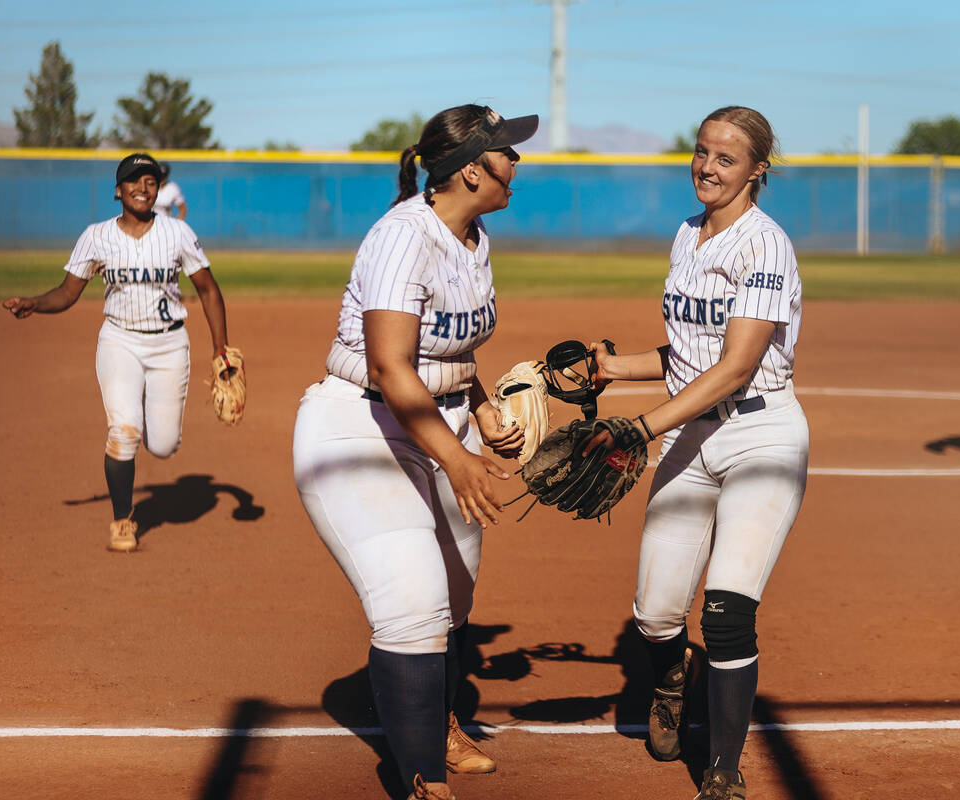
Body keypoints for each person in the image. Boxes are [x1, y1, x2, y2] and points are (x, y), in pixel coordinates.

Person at [291, 105, 537, 800]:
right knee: (414, 599)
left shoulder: (475, 236)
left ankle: (440, 721)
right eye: (507, 154)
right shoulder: (403, 237)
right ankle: (421, 778)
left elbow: (449, 350)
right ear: (470, 171)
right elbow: (393, 366)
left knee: (455, 597)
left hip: (443, 424)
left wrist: (483, 408)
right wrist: (457, 461)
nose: (517, 164)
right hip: (361, 430)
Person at [588, 106, 809, 800]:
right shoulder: (687, 237)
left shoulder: (764, 246)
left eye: (727, 158)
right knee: (655, 614)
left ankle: (720, 768)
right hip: (689, 434)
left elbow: (737, 366)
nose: (708, 168)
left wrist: (639, 427)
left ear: (757, 171)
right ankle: (673, 679)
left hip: (759, 435)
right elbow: (688, 355)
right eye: (701, 152)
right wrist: (611, 368)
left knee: (725, 611)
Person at [1, 152, 232, 552]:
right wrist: (36, 303)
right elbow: (68, 292)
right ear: (118, 190)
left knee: (162, 445)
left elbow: (208, 289)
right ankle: (123, 521)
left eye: (151, 180)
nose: (144, 187)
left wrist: (221, 350)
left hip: (169, 344)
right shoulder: (97, 236)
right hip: (120, 340)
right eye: (134, 180)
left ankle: (142, 399)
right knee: (123, 432)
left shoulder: (177, 233)